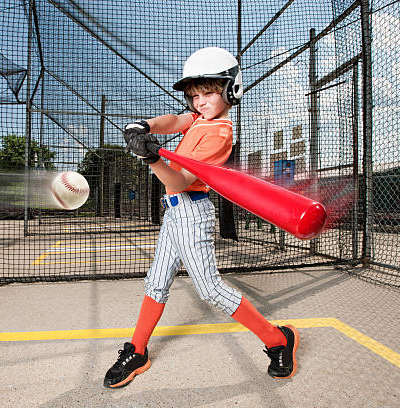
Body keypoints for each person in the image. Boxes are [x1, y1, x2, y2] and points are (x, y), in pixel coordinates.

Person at [103, 47, 299, 389]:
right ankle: (137, 350)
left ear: (229, 90)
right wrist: (144, 126)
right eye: (194, 95)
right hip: (174, 214)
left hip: (193, 212)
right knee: (156, 281)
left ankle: (278, 340)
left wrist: (152, 159)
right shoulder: (197, 120)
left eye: (209, 92)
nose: (200, 101)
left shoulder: (219, 132)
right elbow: (176, 121)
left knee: (210, 289)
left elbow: (177, 181)